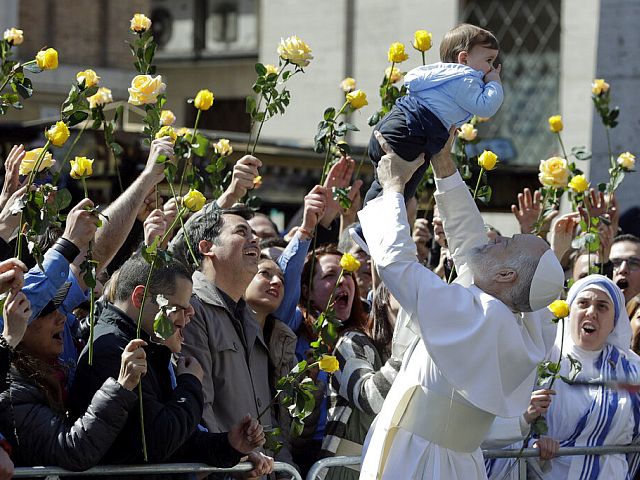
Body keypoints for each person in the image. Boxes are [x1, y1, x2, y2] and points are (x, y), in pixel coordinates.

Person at [358, 130, 564, 479]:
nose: (494, 239)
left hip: (418, 461)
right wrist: (444, 165)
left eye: (507, 243)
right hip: (455, 460)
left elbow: (396, 265)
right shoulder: (515, 316)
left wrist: (392, 189)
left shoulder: (481, 316)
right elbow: (470, 243)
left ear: (506, 275)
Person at [70, 254, 271, 476]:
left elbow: (179, 443)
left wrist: (230, 445)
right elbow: (158, 443)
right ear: (140, 297)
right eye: (179, 307)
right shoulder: (114, 350)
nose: (189, 315)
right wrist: (191, 383)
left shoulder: (143, 346)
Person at [180, 204, 293, 473]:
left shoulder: (249, 318)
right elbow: (198, 406)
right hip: (223, 471)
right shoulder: (190, 308)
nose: (255, 239)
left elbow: (266, 415)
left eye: (255, 233)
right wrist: (234, 457)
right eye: (242, 232)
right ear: (207, 248)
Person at [0, 280, 148, 471]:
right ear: (16, 324)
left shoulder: (55, 371)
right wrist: (121, 387)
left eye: (59, 307)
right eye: (46, 312)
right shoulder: (13, 390)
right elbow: (72, 451)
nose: (61, 318)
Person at [364, 23, 503, 206]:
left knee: (382, 185)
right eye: (489, 61)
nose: (492, 69)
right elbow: (486, 107)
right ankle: (366, 231)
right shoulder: (465, 78)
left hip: (393, 125)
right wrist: (495, 83)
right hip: (411, 135)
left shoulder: (439, 74)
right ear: (464, 59)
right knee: (402, 189)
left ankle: (362, 229)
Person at [526, 274, 640, 479]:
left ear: (614, 322)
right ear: (570, 311)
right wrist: (535, 445)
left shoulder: (632, 370)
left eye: (602, 306)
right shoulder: (544, 357)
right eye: (583, 303)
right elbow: (510, 424)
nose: (591, 312)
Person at [321, 283, 402, 480]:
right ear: (383, 299)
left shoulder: (422, 354)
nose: (415, 292)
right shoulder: (352, 342)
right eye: (404, 283)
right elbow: (370, 398)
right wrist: (404, 352)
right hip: (346, 470)